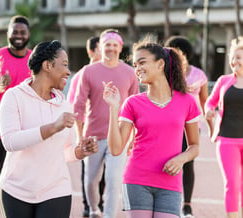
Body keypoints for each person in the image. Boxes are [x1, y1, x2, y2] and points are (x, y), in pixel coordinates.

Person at [0, 40, 98, 218]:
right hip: (17, 190)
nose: (68, 71)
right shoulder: (13, 97)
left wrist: (79, 151)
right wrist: (53, 127)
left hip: (56, 189)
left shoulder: (64, 106)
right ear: (47, 66)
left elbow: (66, 151)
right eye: (64, 65)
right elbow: (10, 142)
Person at [103, 37, 200, 218]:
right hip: (136, 180)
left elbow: (195, 145)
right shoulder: (132, 103)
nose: (137, 68)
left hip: (171, 185)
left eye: (142, 62)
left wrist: (181, 159)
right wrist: (113, 108)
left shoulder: (187, 101)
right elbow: (116, 149)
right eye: (134, 64)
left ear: (160, 64)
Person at [73, 29, 139, 218]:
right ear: (100, 47)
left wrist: (133, 137)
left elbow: (135, 108)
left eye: (114, 44)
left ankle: (109, 215)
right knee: (91, 181)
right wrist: (80, 138)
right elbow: (78, 105)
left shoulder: (129, 73)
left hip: (120, 135)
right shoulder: (88, 71)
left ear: (120, 47)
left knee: (113, 179)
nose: (110, 48)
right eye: (107, 44)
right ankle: (94, 209)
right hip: (93, 135)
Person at [165, 35, 214, 217]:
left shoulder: (198, 75)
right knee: (168, 163)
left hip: (191, 127)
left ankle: (186, 205)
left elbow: (204, 102)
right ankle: (170, 200)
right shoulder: (165, 73)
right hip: (168, 126)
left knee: (187, 164)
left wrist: (210, 126)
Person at [0, 15, 32, 177]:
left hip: (25, 129)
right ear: (8, 33)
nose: (19, 36)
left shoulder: (34, 60)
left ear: (28, 34)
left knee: (18, 177)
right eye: (15, 32)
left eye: (23, 32)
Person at [205, 36, 243, 218]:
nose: (236, 61)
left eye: (241, 57)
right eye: (234, 57)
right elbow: (210, 102)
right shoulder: (223, 81)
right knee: (232, 184)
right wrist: (209, 111)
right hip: (227, 140)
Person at [67, 36, 104, 217]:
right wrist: (78, 134)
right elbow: (73, 104)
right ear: (92, 51)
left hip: (108, 132)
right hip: (88, 131)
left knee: (104, 173)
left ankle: (100, 204)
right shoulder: (82, 74)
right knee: (89, 172)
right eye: (101, 48)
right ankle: (88, 206)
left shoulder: (110, 73)